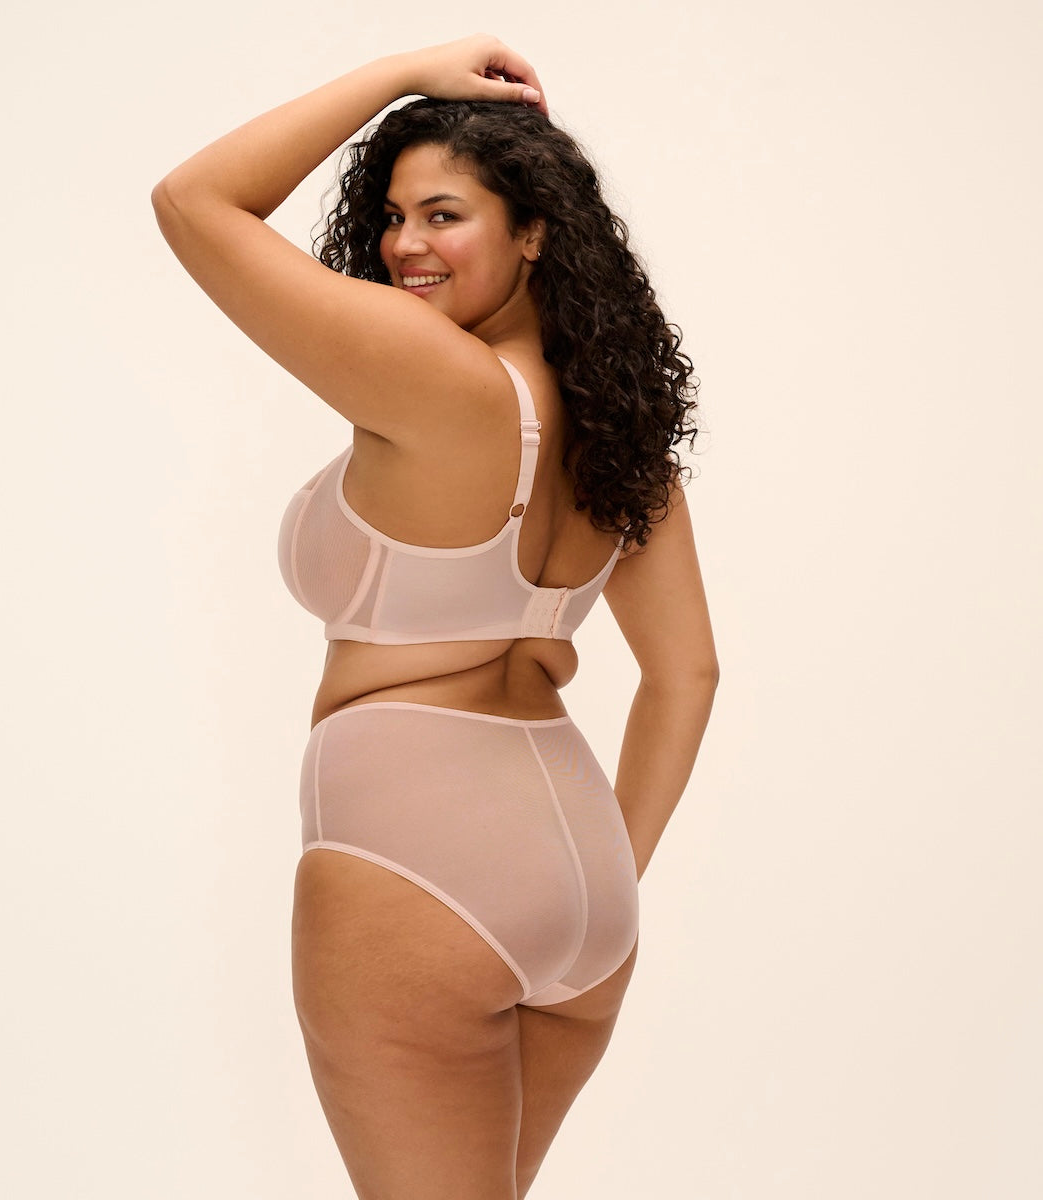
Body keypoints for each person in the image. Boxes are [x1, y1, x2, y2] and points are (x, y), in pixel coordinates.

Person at [152, 33, 718, 1200]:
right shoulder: (620, 430)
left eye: (444, 215)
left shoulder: (432, 371)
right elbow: (688, 676)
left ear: (535, 232)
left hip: (417, 868)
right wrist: (604, 877)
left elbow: (194, 201)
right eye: (394, 215)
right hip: (582, 885)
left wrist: (403, 75)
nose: (404, 244)